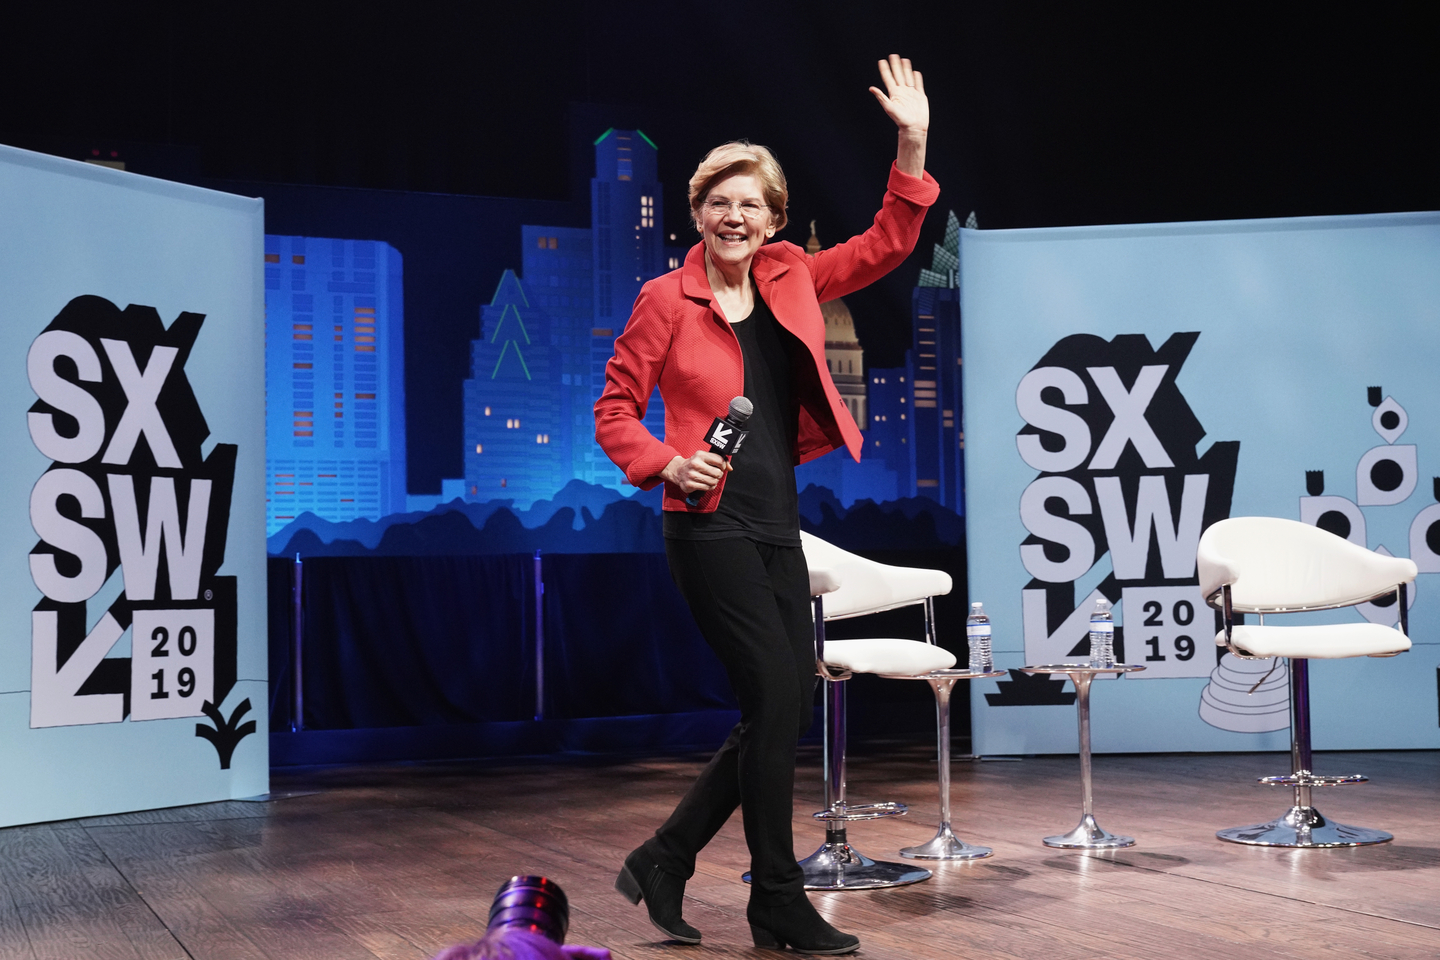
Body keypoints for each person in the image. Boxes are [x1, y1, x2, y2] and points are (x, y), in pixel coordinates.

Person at [595, 55, 937, 955]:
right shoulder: (662, 301)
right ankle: (776, 900)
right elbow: (614, 411)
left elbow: (886, 245)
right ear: (697, 214)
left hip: (777, 522)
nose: (734, 217)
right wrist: (668, 466)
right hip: (705, 531)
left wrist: (913, 141)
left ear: (774, 220)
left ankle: (666, 856)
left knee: (778, 709)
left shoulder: (791, 276)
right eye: (719, 202)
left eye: (751, 205)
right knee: (779, 694)